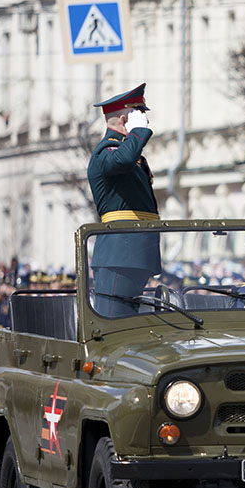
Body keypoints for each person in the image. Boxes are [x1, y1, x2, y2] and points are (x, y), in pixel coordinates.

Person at [86, 84, 161, 317]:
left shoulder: (132, 156)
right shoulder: (106, 151)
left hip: (138, 251)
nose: (144, 120)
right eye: (139, 115)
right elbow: (124, 158)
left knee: (133, 326)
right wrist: (138, 132)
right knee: (114, 324)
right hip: (119, 255)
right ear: (123, 118)